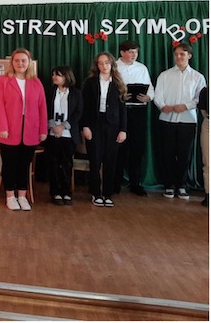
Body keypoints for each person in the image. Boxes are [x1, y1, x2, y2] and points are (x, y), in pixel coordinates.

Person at [0, 48, 47, 211]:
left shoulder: (36, 82)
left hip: (30, 131)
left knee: (24, 165)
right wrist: (2, 127)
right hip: (8, 130)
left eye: (23, 60)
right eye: (17, 60)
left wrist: (43, 130)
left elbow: (42, 107)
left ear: (29, 63)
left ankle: (22, 196)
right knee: (9, 164)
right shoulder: (3, 80)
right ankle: (10, 196)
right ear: (12, 62)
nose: (20, 63)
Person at [154, 42, 207, 200]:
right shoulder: (165, 75)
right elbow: (158, 94)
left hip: (187, 120)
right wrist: (163, 106)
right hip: (167, 119)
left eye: (182, 54)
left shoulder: (197, 77)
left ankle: (182, 185)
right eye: (176, 54)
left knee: (185, 154)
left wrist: (185, 106)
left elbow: (201, 98)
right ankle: (169, 185)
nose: (179, 57)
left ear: (189, 56)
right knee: (168, 153)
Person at [81, 52, 127, 208]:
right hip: (94, 124)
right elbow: (84, 107)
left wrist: (123, 129)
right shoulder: (90, 83)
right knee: (95, 159)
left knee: (110, 161)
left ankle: (108, 194)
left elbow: (123, 109)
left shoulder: (118, 83)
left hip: (113, 125)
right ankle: (95, 193)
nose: (104, 66)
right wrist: (85, 126)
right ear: (97, 65)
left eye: (107, 62)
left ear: (112, 64)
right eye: (100, 63)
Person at [115, 40, 155, 196]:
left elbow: (150, 88)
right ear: (122, 52)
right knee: (119, 147)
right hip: (120, 110)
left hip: (138, 111)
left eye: (136, 52)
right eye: (130, 52)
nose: (134, 55)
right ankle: (115, 182)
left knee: (137, 147)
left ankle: (135, 183)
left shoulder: (141, 68)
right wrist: (120, 96)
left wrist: (148, 97)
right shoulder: (114, 66)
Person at [44, 66, 83, 206]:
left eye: (58, 75)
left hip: (68, 134)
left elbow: (78, 112)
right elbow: (44, 109)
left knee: (66, 164)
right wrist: (53, 125)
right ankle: (55, 192)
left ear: (66, 77)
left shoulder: (76, 93)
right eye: (53, 74)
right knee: (53, 163)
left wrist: (63, 126)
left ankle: (66, 193)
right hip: (52, 133)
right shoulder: (49, 91)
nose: (54, 77)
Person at [198, 86, 209, 207]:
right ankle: (208, 194)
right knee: (207, 161)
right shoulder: (206, 91)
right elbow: (204, 111)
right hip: (208, 125)